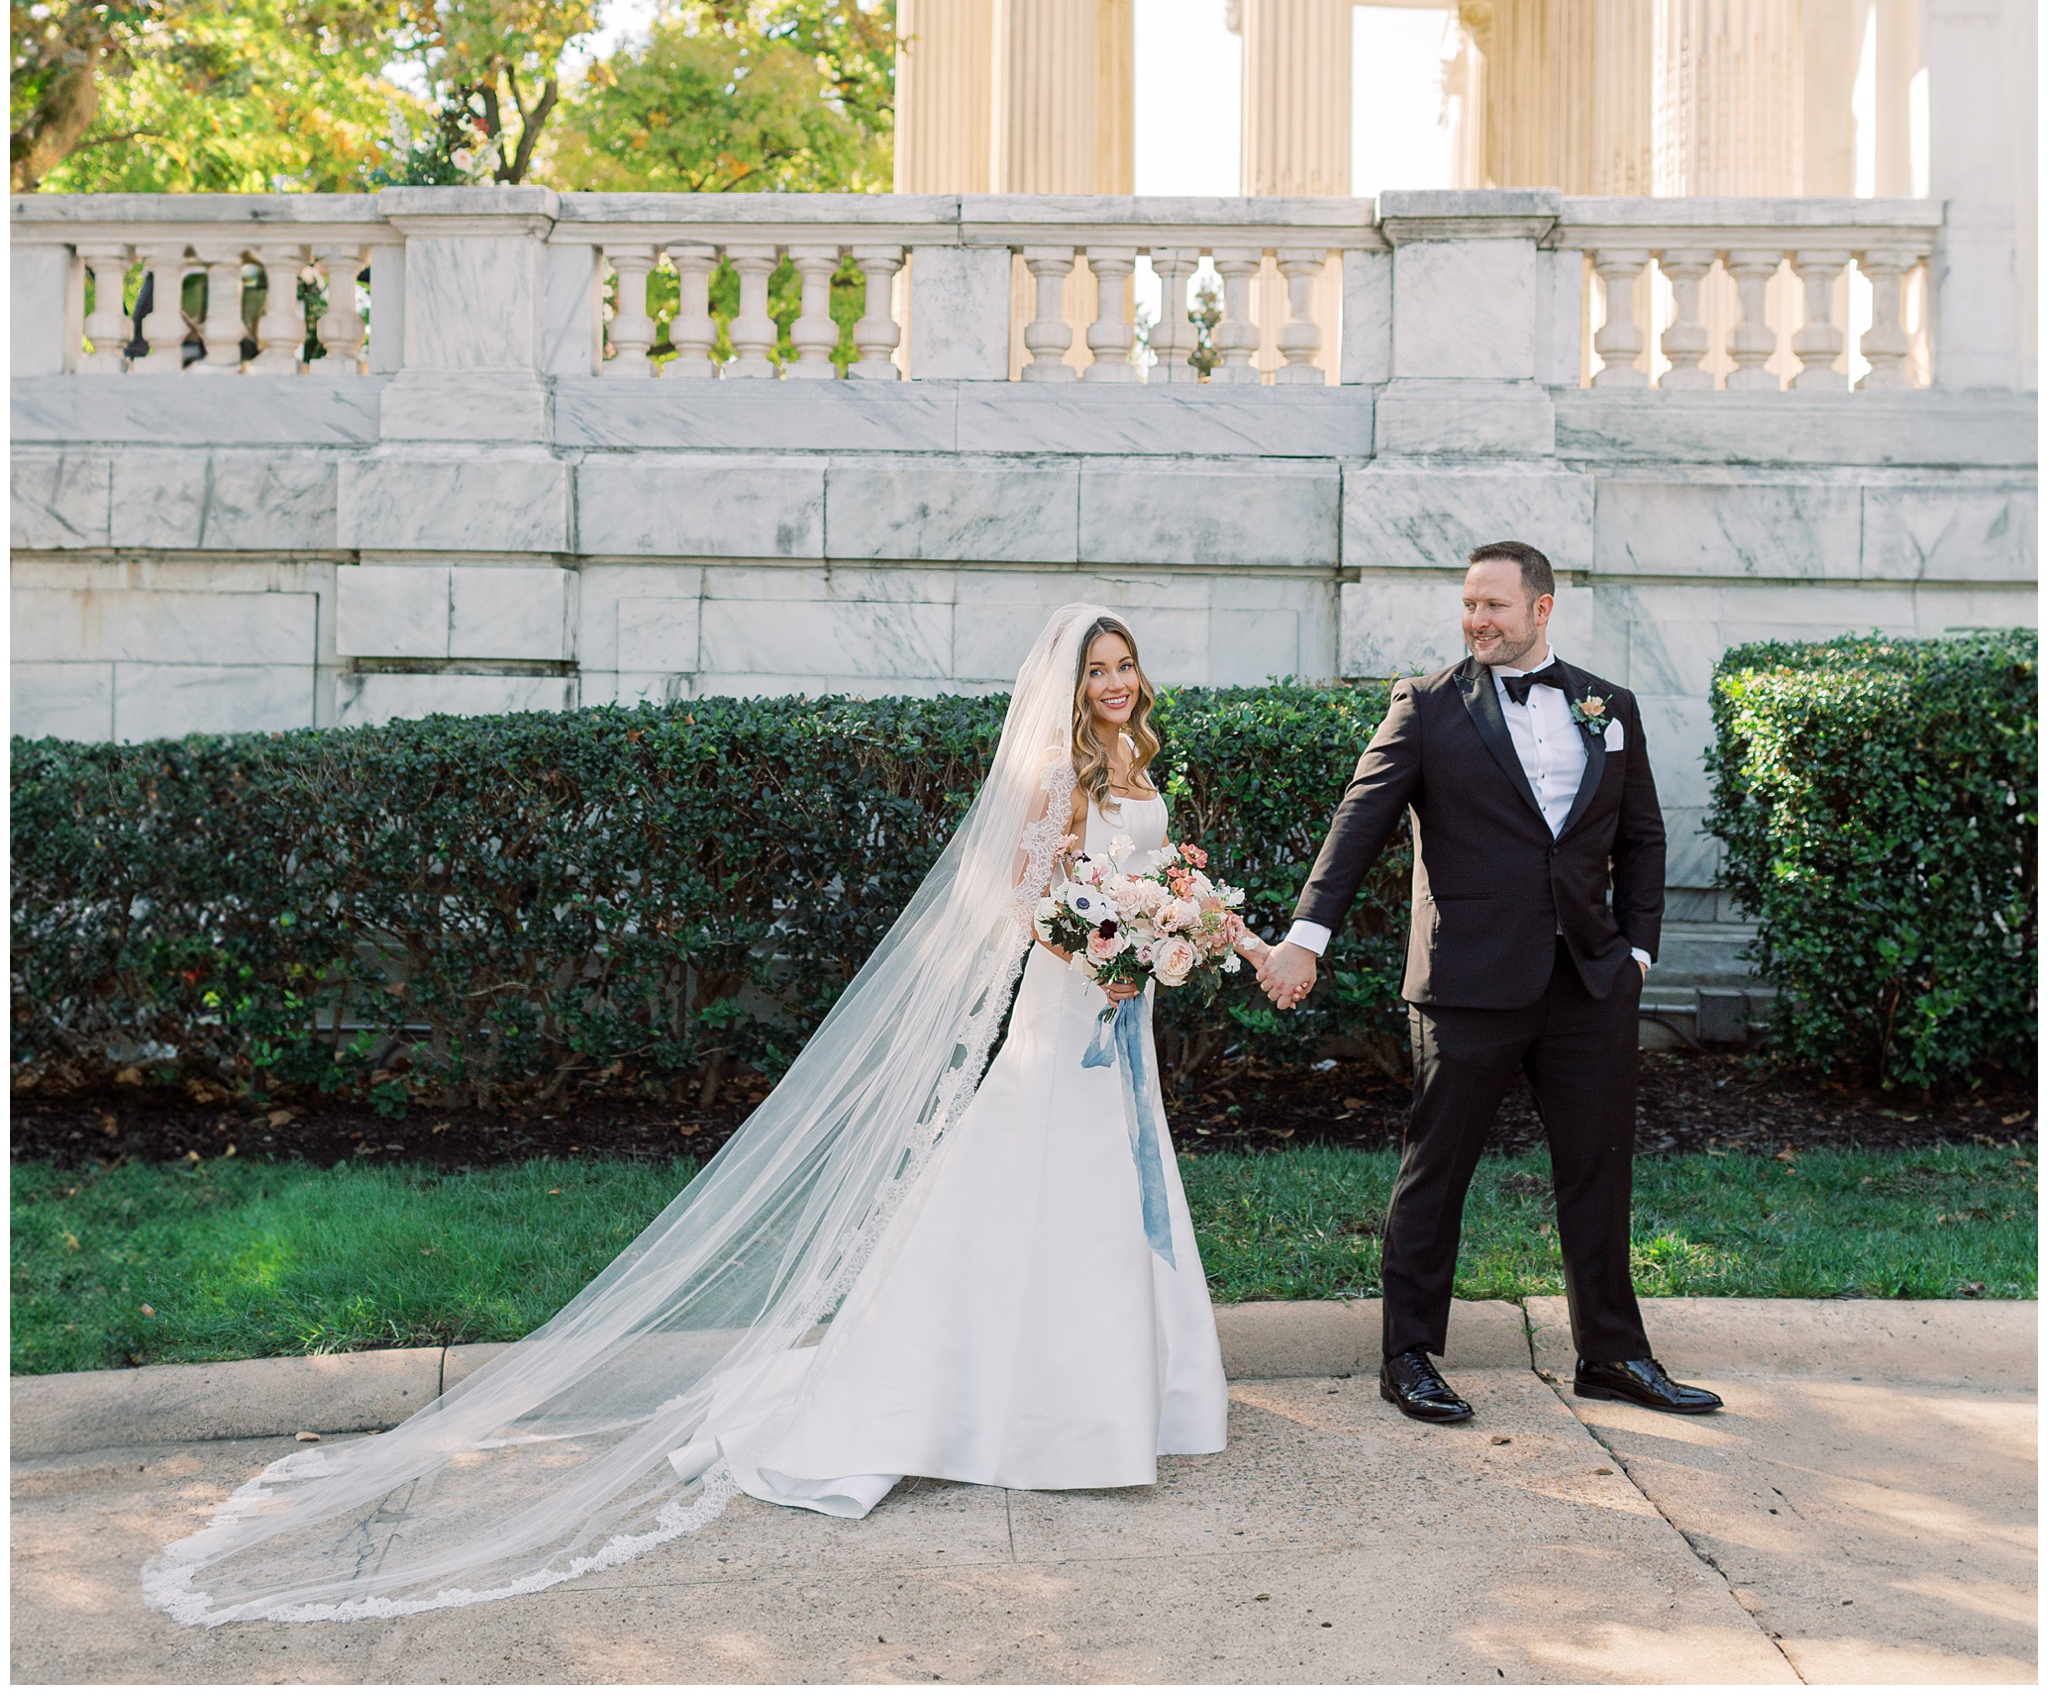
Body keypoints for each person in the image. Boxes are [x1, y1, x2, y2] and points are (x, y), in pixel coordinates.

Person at [146, 602, 1255, 1626]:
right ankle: (985, 1397)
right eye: (1096, 669)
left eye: (1123, 666)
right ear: (1068, 685)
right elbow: (1022, 898)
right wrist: (1097, 943)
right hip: (1067, 1012)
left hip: (1121, 1019)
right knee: (1033, 1179)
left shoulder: (1135, 761)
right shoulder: (1055, 775)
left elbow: (1150, 880)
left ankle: (1116, 1400)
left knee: (1112, 1185)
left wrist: (1174, 931)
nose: (1115, 682)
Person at [1257, 540, 1722, 1428]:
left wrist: (1638, 952)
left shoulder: (1607, 705)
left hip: (1587, 979)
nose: (1477, 621)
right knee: (1438, 1169)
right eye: (1469, 605)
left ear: (1541, 609)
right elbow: (1362, 818)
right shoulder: (1428, 706)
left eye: (1494, 607)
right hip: (1468, 978)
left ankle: (1614, 1353)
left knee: (1599, 1169)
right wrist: (1306, 937)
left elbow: (1644, 836)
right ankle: (1409, 1355)